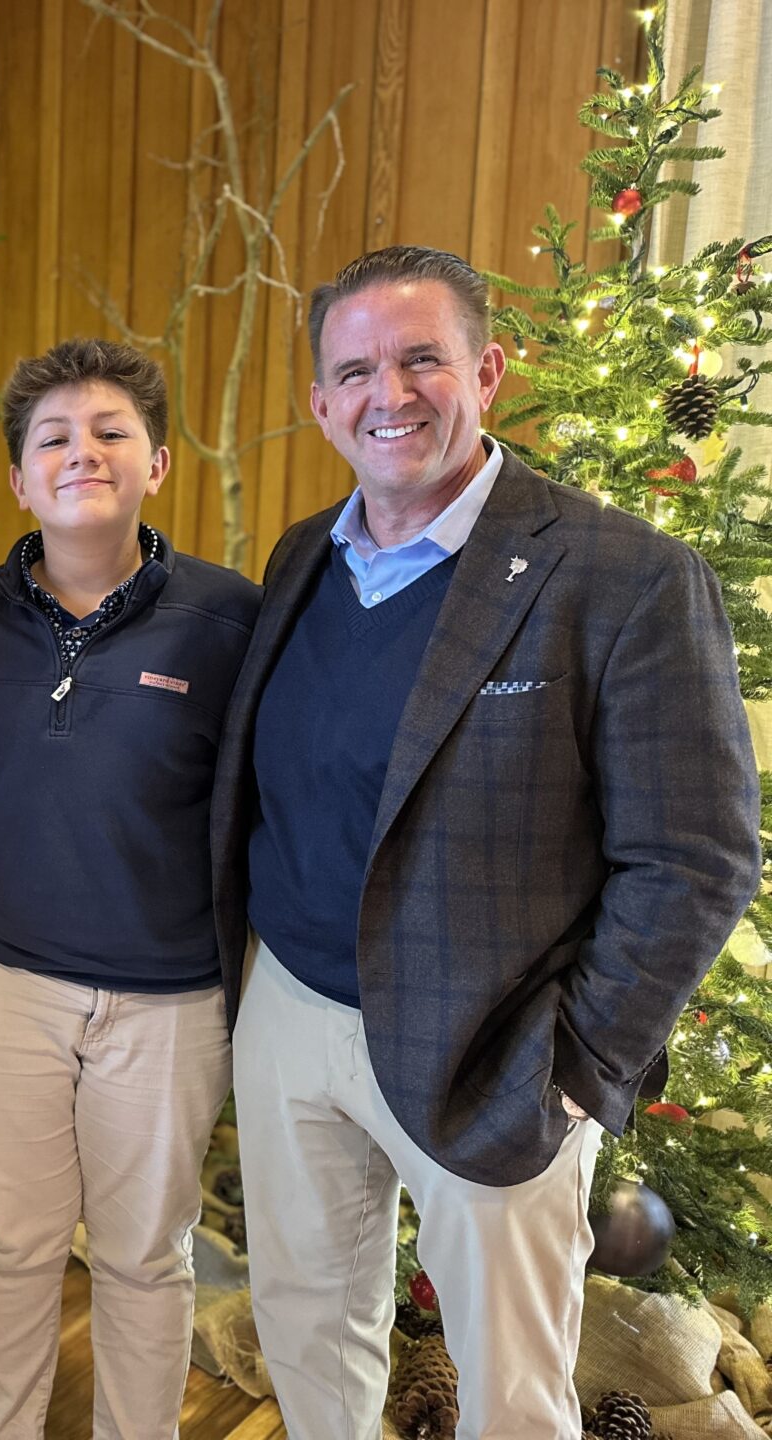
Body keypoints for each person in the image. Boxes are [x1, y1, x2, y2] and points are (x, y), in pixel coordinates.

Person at [209, 244, 761, 1437]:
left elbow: (698, 858)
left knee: (511, 1388)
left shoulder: (626, 579)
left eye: (423, 359)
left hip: (493, 1043)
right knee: (309, 1331)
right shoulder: (305, 556)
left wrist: (577, 1066)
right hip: (293, 1012)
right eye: (355, 370)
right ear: (319, 402)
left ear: (489, 370)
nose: (389, 394)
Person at [0, 338, 260, 1438]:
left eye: (111, 432)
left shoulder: (230, 619)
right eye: (53, 438)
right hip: (1, 985)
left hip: (167, 1005)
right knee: (10, 1243)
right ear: (18, 478)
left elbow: (260, 803)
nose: (82, 453)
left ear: (158, 463)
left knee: (146, 1256)